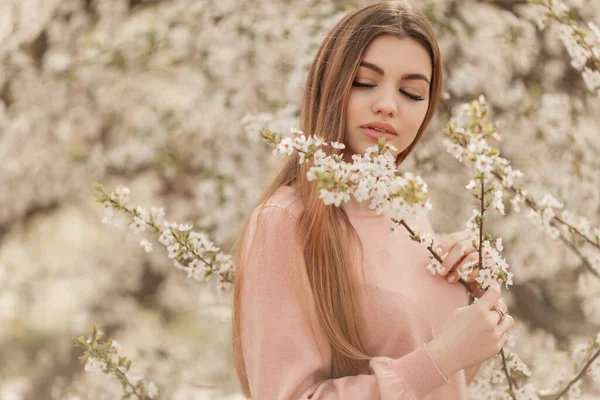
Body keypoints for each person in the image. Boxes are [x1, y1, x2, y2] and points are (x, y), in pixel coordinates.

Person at [231, 1, 515, 398]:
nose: (388, 104)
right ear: (332, 87)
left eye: (412, 92)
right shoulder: (284, 222)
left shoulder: (407, 209)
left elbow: (443, 385)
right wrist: (441, 357)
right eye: (365, 83)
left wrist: (477, 304)